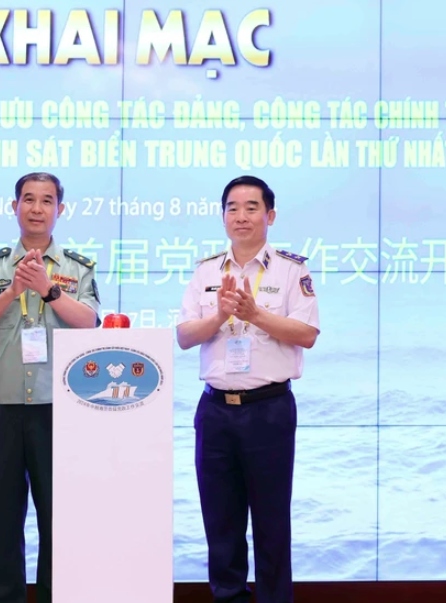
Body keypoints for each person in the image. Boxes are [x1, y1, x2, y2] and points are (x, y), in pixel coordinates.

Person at [176, 175, 320, 603]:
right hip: (216, 411)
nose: (241, 216)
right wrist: (219, 317)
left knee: (272, 522)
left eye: (251, 207)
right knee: (220, 521)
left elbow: (307, 333)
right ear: (223, 216)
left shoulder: (293, 269)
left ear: (269, 216)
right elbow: (185, 336)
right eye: (232, 208)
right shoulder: (206, 270)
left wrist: (254, 313)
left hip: (268, 409)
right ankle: (228, 596)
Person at [0, 172, 101, 603]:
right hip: (4, 406)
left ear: (61, 209)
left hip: (57, 407)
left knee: (57, 515)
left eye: (46, 201)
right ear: (14, 207)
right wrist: (14, 291)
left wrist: (48, 292)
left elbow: (91, 322)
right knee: (3, 515)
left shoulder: (77, 268)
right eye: (28, 199)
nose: (37, 208)